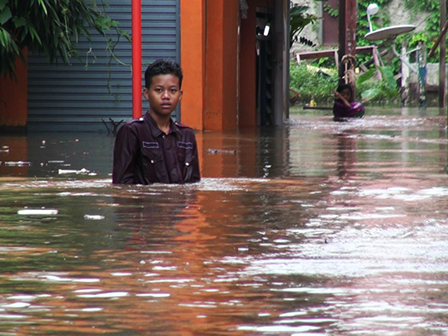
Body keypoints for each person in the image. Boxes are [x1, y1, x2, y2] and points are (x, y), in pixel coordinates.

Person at [112, 59, 200, 184]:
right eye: (159, 90)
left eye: (172, 90)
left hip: (179, 203)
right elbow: (121, 187)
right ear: (147, 93)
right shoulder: (132, 131)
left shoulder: (187, 135)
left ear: (180, 95)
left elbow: (194, 185)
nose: (166, 96)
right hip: (146, 203)